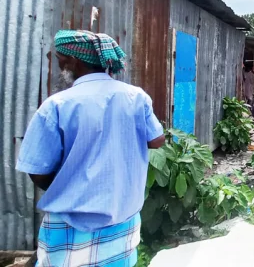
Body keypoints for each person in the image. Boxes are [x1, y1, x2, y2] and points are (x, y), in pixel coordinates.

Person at [15, 30, 165, 266]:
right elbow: (156, 140)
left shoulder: (58, 105)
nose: (57, 62)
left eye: (58, 57)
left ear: (73, 61)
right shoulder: (136, 97)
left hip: (71, 224)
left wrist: (71, 185)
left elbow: (38, 171)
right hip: (122, 218)